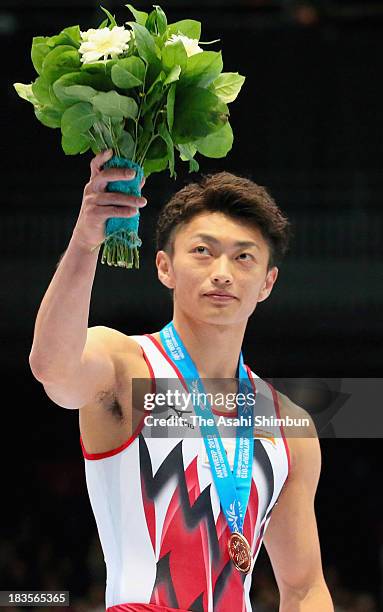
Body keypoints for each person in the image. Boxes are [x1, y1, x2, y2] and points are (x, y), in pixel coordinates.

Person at [29, 148, 334, 612]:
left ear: (268, 283)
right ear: (164, 267)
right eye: (202, 251)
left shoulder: (289, 424)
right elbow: (52, 367)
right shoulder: (127, 368)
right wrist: (86, 238)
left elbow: (305, 587)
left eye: (244, 257)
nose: (222, 274)